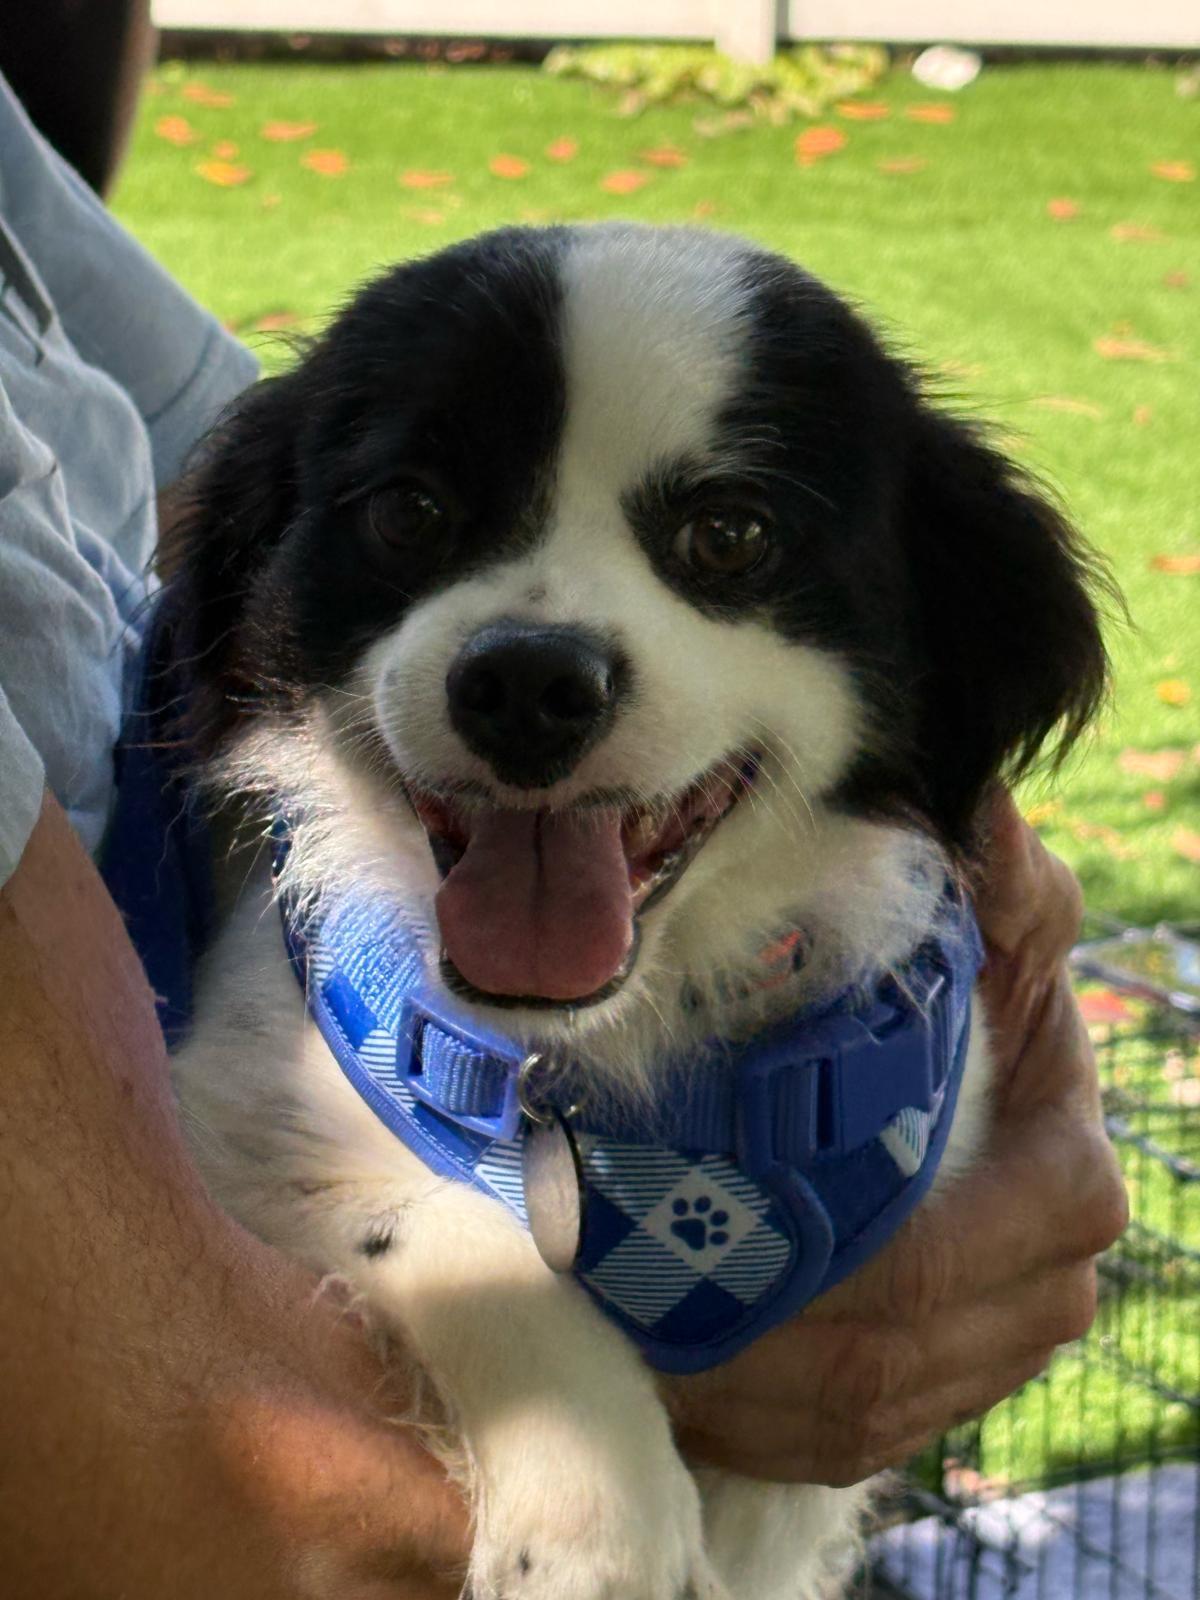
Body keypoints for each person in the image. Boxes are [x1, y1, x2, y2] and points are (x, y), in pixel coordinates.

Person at [0, 33, 1127, 1600]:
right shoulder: (305, 1022)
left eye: (725, 539)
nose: (539, 646)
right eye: (419, 516)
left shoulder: (917, 1054)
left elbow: (210, 436)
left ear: (942, 639)